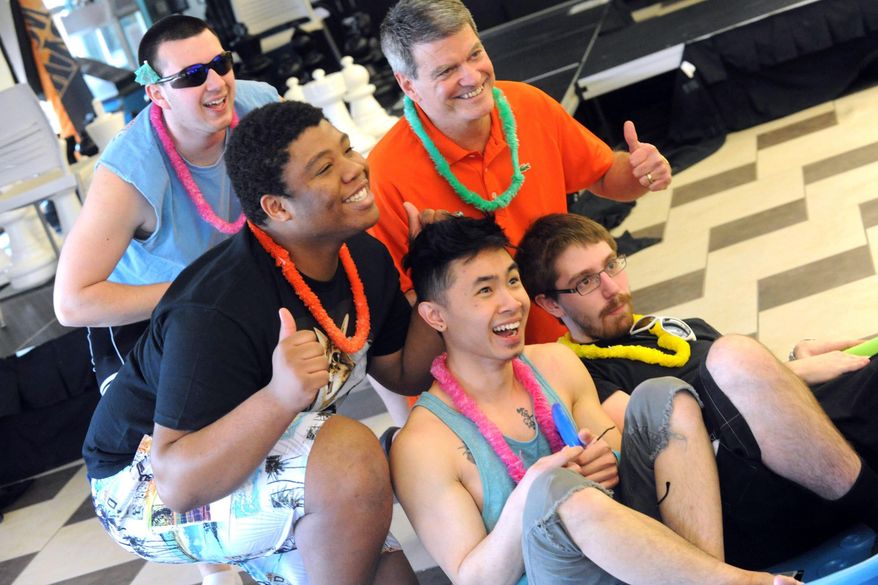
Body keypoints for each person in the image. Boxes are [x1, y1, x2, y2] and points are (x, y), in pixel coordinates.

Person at [82, 100, 440, 584]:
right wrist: (279, 397)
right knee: (350, 457)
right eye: (325, 168)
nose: (355, 168)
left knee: (388, 574)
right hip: (140, 484)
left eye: (347, 149)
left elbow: (404, 373)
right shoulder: (219, 307)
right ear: (277, 207)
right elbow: (177, 484)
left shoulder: (362, 256)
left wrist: (436, 276)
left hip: (268, 448)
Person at [393, 215, 801, 585]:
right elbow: (474, 579)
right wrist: (533, 492)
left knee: (663, 396)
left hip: (641, 556)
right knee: (557, 491)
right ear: (435, 316)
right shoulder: (423, 445)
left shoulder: (554, 362)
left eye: (512, 281)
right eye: (485, 290)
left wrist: (606, 459)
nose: (511, 303)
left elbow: (622, 466)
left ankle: (709, 571)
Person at [516, 212, 878, 567]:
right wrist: (794, 372)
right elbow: (664, 441)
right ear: (550, 303)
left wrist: (792, 361)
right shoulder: (583, 374)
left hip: (803, 453)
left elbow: (759, 392)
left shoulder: (681, 328)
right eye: (585, 282)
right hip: (733, 498)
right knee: (732, 356)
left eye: (611, 265)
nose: (612, 288)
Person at [368, 0, 673, 344]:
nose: (471, 77)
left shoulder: (529, 105)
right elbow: (405, 307)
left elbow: (604, 177)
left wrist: (639, 172)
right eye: (447, 70)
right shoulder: (385, 174)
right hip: (486, 363)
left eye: (475, 54)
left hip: (576, 338)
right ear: (408, 85)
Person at [54, 15, 280, 395]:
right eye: (192, 75)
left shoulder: (259, 105)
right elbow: (71, 303)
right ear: (158, 94)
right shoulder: (129, 174)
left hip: (232, 293)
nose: (215, 83)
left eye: (220, 63)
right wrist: (207, 287)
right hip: (140, 320)